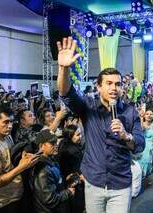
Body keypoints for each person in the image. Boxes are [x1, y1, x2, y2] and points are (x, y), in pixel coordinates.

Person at [57, 37, 145, 213]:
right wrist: (64, 69)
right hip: (94, 182)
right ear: (98, 86)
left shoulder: (129, 111)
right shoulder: (88, 106)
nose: (114, 88)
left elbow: (139, 145)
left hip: (120, 184)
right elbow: (66, 93)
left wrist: (125, 135)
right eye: (109, 83)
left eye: (118, 84)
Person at [0, 104, 38, 213]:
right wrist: (21, 167)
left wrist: (23, 157)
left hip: (14, 195)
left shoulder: (6, 135)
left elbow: (9, 160)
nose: (10, 126)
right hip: (3, 202)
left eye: (11, 122)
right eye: (5, 122)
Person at [29, 129, 75, 213]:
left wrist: (64, 180)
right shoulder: (42, 169)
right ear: (41, 146)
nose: (56, 145)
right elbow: (49, 199)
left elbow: (53, 183)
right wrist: (68, 192)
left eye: (56, 142)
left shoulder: (51, 159)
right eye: (52, 143)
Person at [58, 125, 85, 213]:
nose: (80, 137)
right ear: (70, 136)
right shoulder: (74, 151)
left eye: (80, 134)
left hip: (64, 184)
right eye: (77, 135)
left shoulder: (62, 144)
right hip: (75, 185)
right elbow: (78, 170)